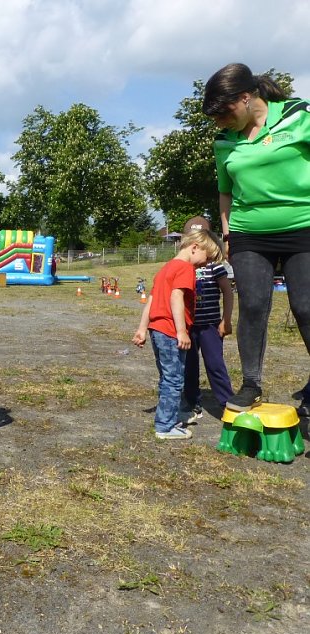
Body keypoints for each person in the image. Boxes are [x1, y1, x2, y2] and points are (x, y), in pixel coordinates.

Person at [203, 63, 310, 413]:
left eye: (224, 113)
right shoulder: (224, 140)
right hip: (249, 231)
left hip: (303, 226)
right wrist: (228, 233)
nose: (220, 122)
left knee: (306, 307)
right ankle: (251, 385)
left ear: (246, 98)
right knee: (251, 306)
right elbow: (225, 190)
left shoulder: (298, 115)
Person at [133, 229, 225, 439]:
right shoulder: (186, 268)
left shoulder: (165, 268)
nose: (206, 264)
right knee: (174, 380)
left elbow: (151, 300)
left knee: (167, 377)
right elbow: (176, 297)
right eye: (207, 258)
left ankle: (172, 414)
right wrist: (182, 331)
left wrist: (142, 329)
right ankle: (165, 427)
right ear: (195, 248)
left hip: (157, 331)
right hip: (170, 331)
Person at [181, 216, 234, 421]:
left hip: (211, 326)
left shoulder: (215, 266)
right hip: (189, 326)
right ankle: (192, 401)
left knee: (215, 364)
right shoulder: (184, 266)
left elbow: (227, 292)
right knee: (189, 365)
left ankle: (227, 403)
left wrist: (226, 320)